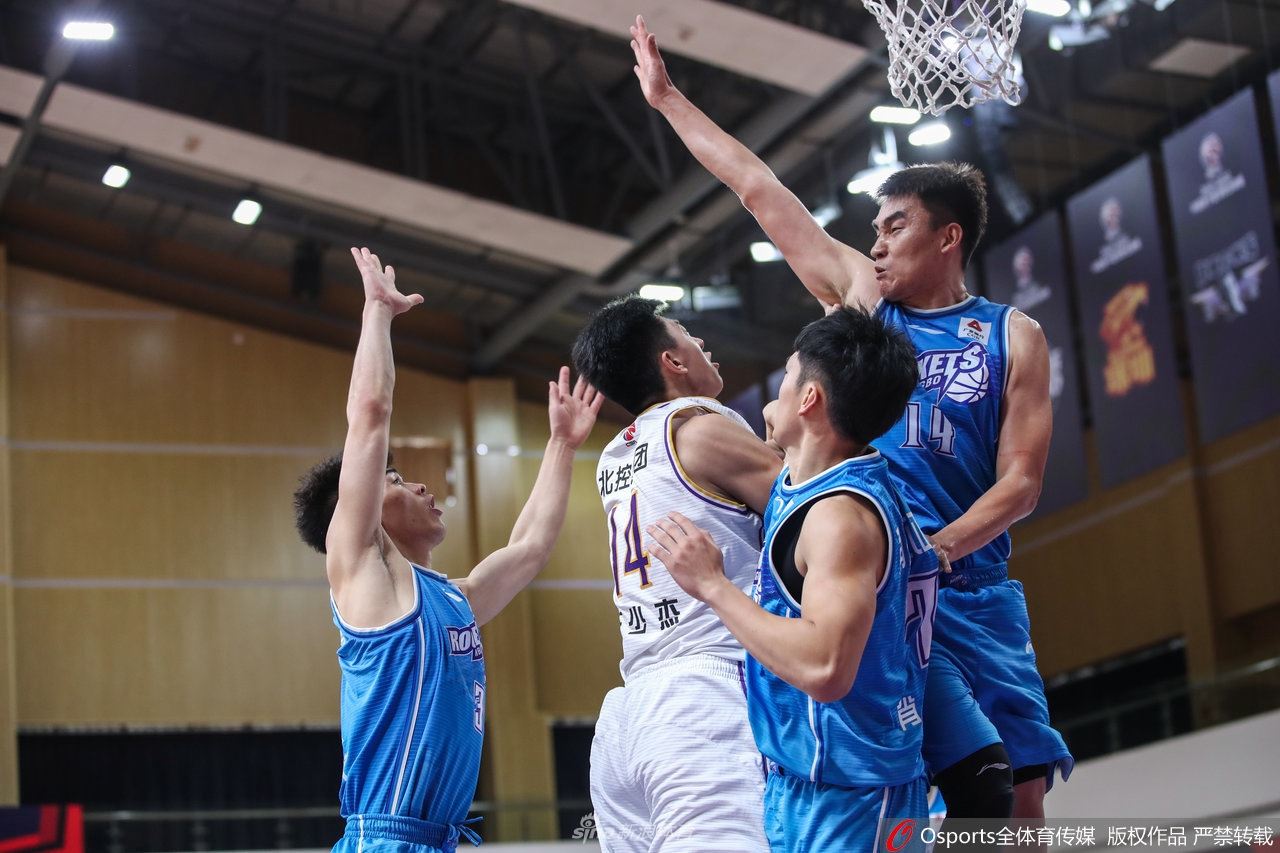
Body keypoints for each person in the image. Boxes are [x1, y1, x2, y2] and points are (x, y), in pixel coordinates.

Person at [628, 15, 1072, 820]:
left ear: (948, 237)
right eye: (874, 230)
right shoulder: (865, 302)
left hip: (972, 585)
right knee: (910, 786)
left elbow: (1022, 483)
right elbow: (760, 190)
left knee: (1020, 803)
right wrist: (668, 102)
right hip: (880, 575)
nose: (878, 245)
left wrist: (944, 545)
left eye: (895, 227)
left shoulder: (1013, 335)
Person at [292, 247, 602, 852]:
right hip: (385, 839)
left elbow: (531, 546)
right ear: (358, 509)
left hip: (443, 839)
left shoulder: (454, 601)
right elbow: (370, 415)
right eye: (396, 479)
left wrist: (561, 446)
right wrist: (377, 313)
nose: (419, 486)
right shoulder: (361, 570)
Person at [648, 308, 938, 852]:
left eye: (786, 377)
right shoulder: (806, 481)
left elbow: (826, 668)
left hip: (853, 792)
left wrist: (713, 585)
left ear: (809, 399)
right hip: (808, 780)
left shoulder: (839, 517)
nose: (772, 396)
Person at [571, 296, 783, 851]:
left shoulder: (614, 457)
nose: (702, 342)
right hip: (704, 695)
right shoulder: (700, 428)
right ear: (673, 361)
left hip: (631, 711)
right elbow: (821, 509)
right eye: (688, 333)